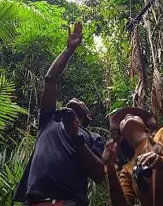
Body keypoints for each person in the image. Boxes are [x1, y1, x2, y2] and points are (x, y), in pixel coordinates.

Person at [13, 22, 105, 206]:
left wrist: (77, 137)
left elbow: (99, 175)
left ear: (88, 117)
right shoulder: (50, 119)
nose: (76, 99)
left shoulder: (93, 137)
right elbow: (50, 79)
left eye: (82, 102)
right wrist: (69, 49)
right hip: (34, 202)